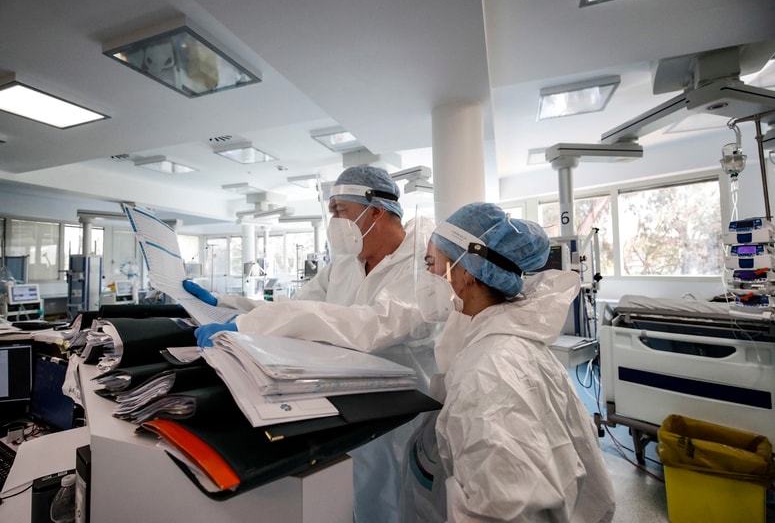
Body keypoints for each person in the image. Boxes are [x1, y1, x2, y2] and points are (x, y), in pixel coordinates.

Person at [184, 165, 438, 523]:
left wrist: (251, 324)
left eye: (339, 211)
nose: (333, 220)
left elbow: (372, 326)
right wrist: (226, 303)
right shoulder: (346, 263)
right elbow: (297, 307)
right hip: (346, 400)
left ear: (376, 211)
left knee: (394, 501)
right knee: (353, 493)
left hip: (401, 410)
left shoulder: (421, 263)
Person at [401, 202, 615, 522]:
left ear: (467, 271)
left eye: (433, 263)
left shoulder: (488, 377)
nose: (427, 275)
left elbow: (506, 509)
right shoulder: (498, 343)